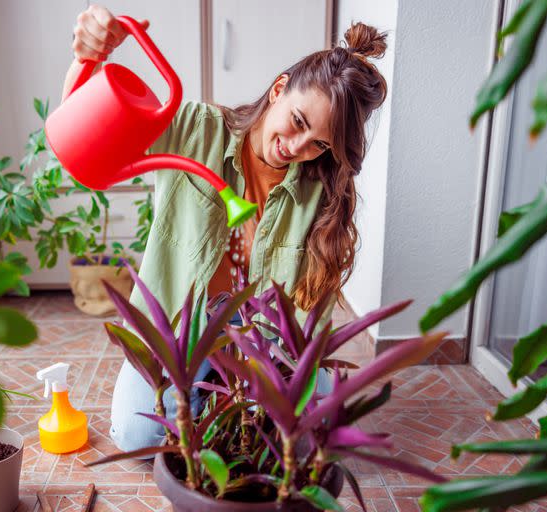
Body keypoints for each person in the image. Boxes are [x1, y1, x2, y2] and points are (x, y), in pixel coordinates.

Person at [65, 5, 388, 454]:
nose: (297, 148)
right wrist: (88, 57)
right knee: (138, 434)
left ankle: (218, 395)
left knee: (318, 429)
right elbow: (85, 133)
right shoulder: (197, 130)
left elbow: (310, 316)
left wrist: (287, 381)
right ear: (279, 89)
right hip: (180, 328)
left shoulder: (321, 193)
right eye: (298, 122)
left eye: (318, 143)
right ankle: (207, 389)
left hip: (261, 338)